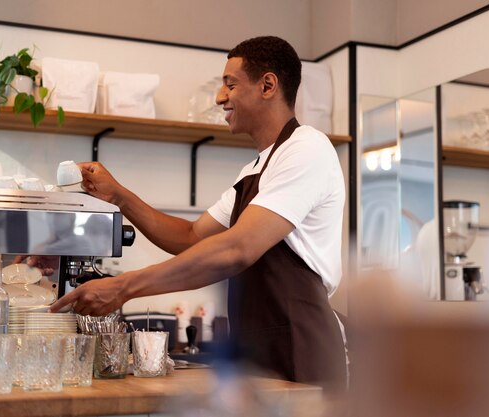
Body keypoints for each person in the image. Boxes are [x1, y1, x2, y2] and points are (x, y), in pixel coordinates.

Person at [50, 36, 348, 390]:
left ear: (267, 85)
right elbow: (190, 237)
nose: (221, 97)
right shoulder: (254, 170)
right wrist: (119, 196)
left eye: (230, 84)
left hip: (302, 352)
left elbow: (237, 248)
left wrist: (122, 287)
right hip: (258, 352)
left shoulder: (307, 149)